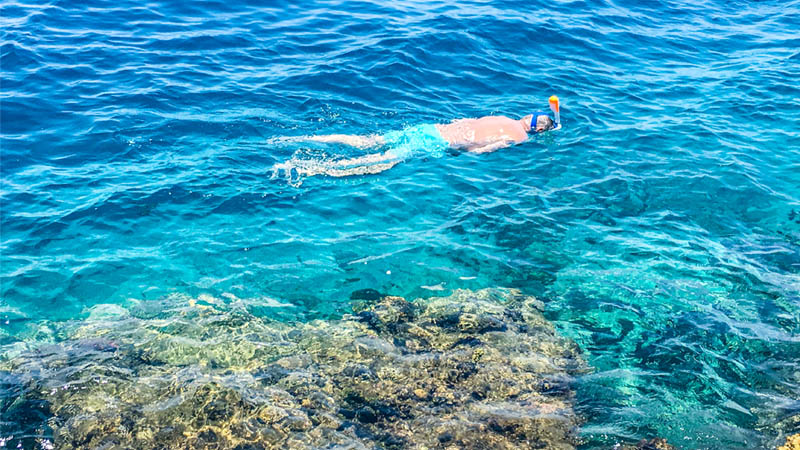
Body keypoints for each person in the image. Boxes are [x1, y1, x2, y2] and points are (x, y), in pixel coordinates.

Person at [278, 105, 559, 178]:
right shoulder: (520, 137)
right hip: (436, 144)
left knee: (367, 141)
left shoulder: (503, 117)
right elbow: (480, 151)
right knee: (377, 162)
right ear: (538, 130)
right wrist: (461, 155)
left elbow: (465, 121)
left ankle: (303, 137)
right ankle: (312, 168)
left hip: (430, 129)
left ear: (528, 116)